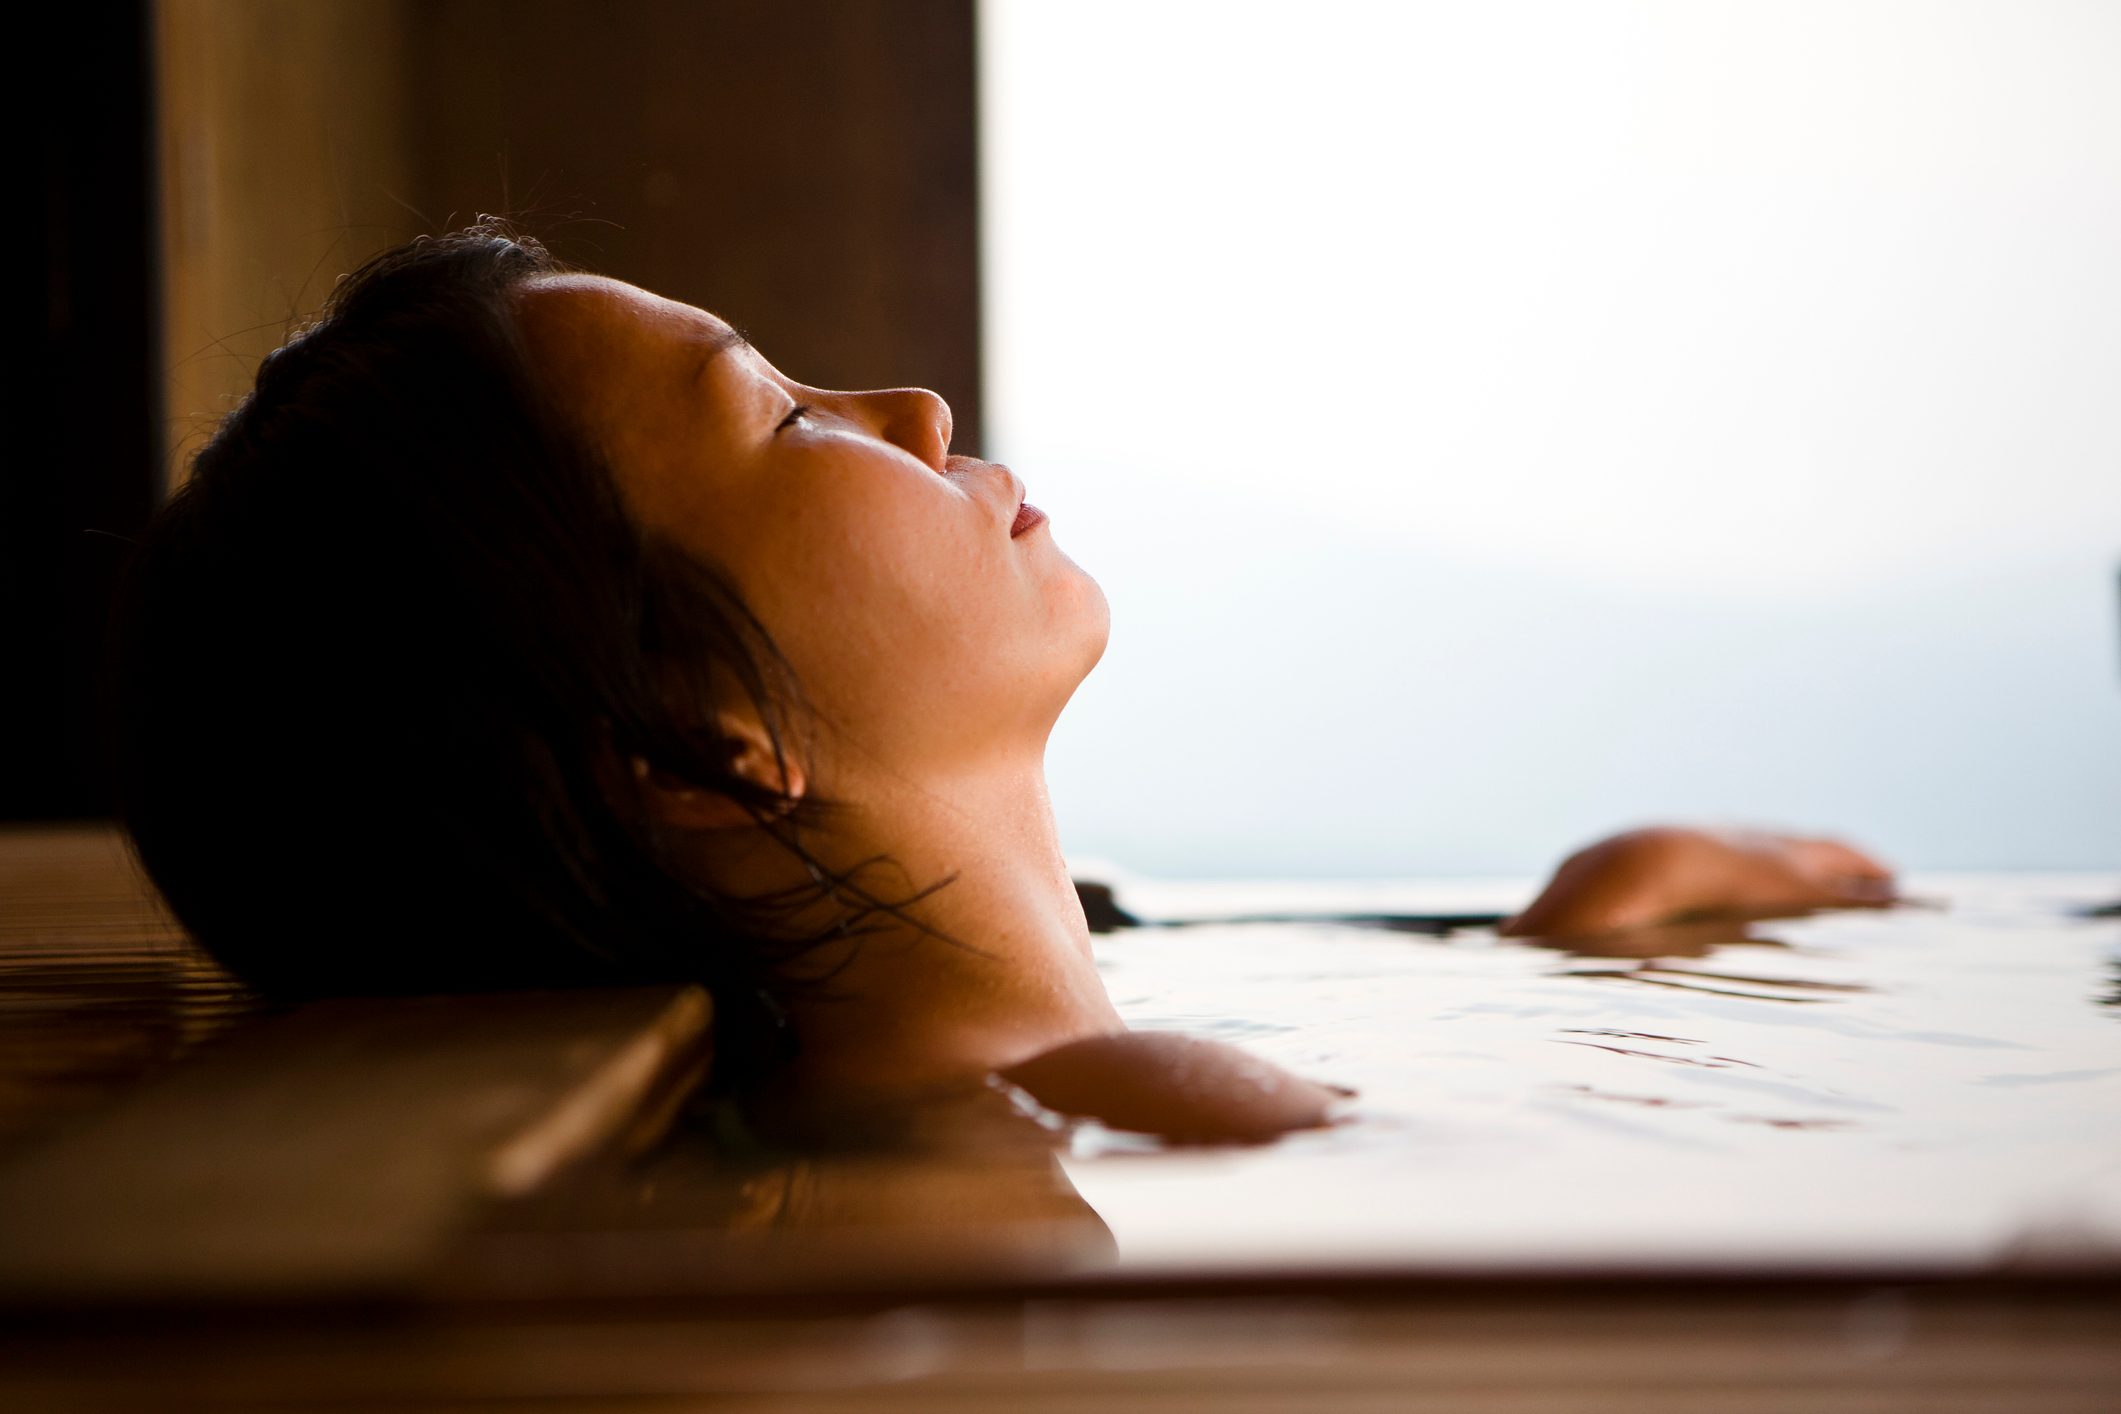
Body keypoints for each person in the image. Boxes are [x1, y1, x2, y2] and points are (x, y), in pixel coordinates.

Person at [109, 225, 1894, 1143]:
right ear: (690, 738)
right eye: (782, 416)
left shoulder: (1007, 1089)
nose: (913, 411)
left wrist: (1577, 934)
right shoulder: (1120, 1104)